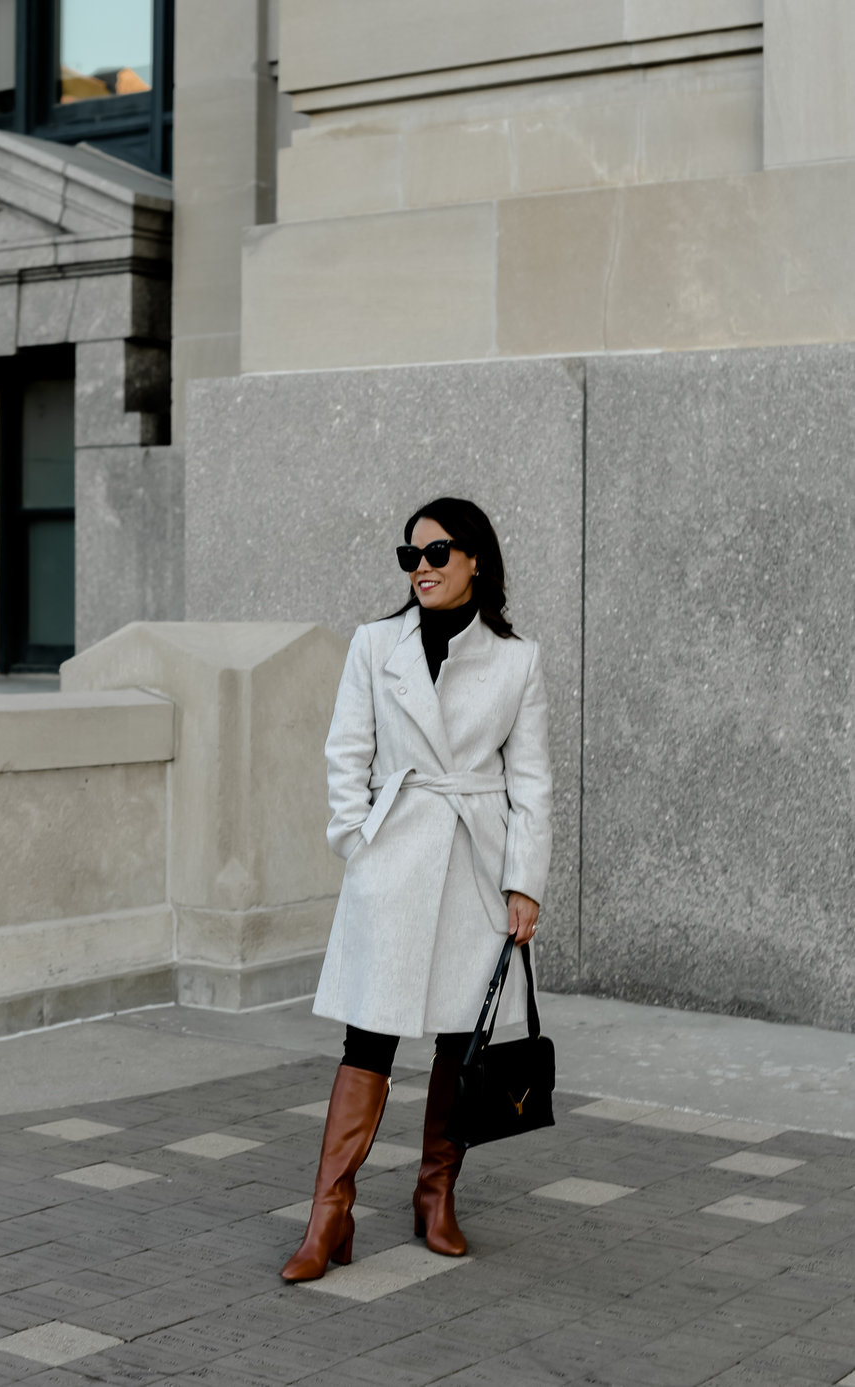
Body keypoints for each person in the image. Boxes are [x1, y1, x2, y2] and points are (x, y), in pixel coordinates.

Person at [281, 496, 552, 1283]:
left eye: (437, 553)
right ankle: (329, 1213)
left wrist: (524, 882)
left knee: (456, 1038)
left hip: (474, 859)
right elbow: (346, 752)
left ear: (475, 560)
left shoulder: (516, 659)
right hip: (394, 853)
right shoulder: (375, 644)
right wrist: (356, 838)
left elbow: (532, 783)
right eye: (411, 556)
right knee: (368, 1035)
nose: (422, 567)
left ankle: (436, 1194)